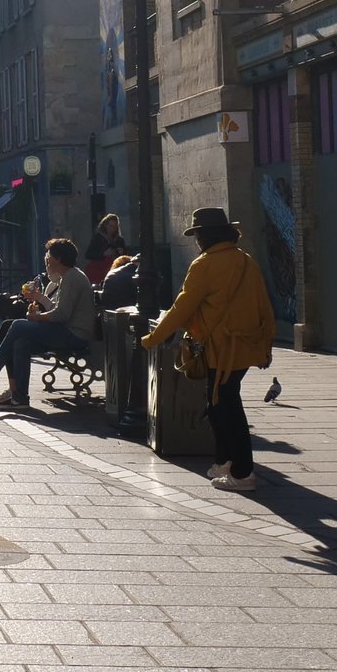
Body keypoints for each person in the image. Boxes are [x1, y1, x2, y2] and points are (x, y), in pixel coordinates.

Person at [139, 206, 276, 492]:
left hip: (221, 349)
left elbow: (181, 308)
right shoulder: (246, 261)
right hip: (245, 345)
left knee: (227, 407)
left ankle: (243, 472)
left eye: (198, 234)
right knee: (218, 405)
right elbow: (265, 306)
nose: (197, 240)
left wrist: (153, 338)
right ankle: (225, 461)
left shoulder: (204, 265)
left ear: (207, 236)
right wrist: (266, 347)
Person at [0, 239, 97, 413]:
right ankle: (19, 397)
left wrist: (37, 318)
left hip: (74, 334)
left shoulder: (72, 277)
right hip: (65, 331)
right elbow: (59, 311)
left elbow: (62, 314)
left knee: (17, 325)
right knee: (21, 343)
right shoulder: (66, 277)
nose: (46, 258)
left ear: (58, 258)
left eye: (49, 255)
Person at [84, 213, 133, 287]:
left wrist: (121, 253)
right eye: (110, 226)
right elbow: (88, 254)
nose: (112, 229)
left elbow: (125, 257)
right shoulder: (98, 238)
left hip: (114, 268)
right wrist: (103, 254)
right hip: (99, 269)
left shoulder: (119, 240)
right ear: (105, 225)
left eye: (115, 227)